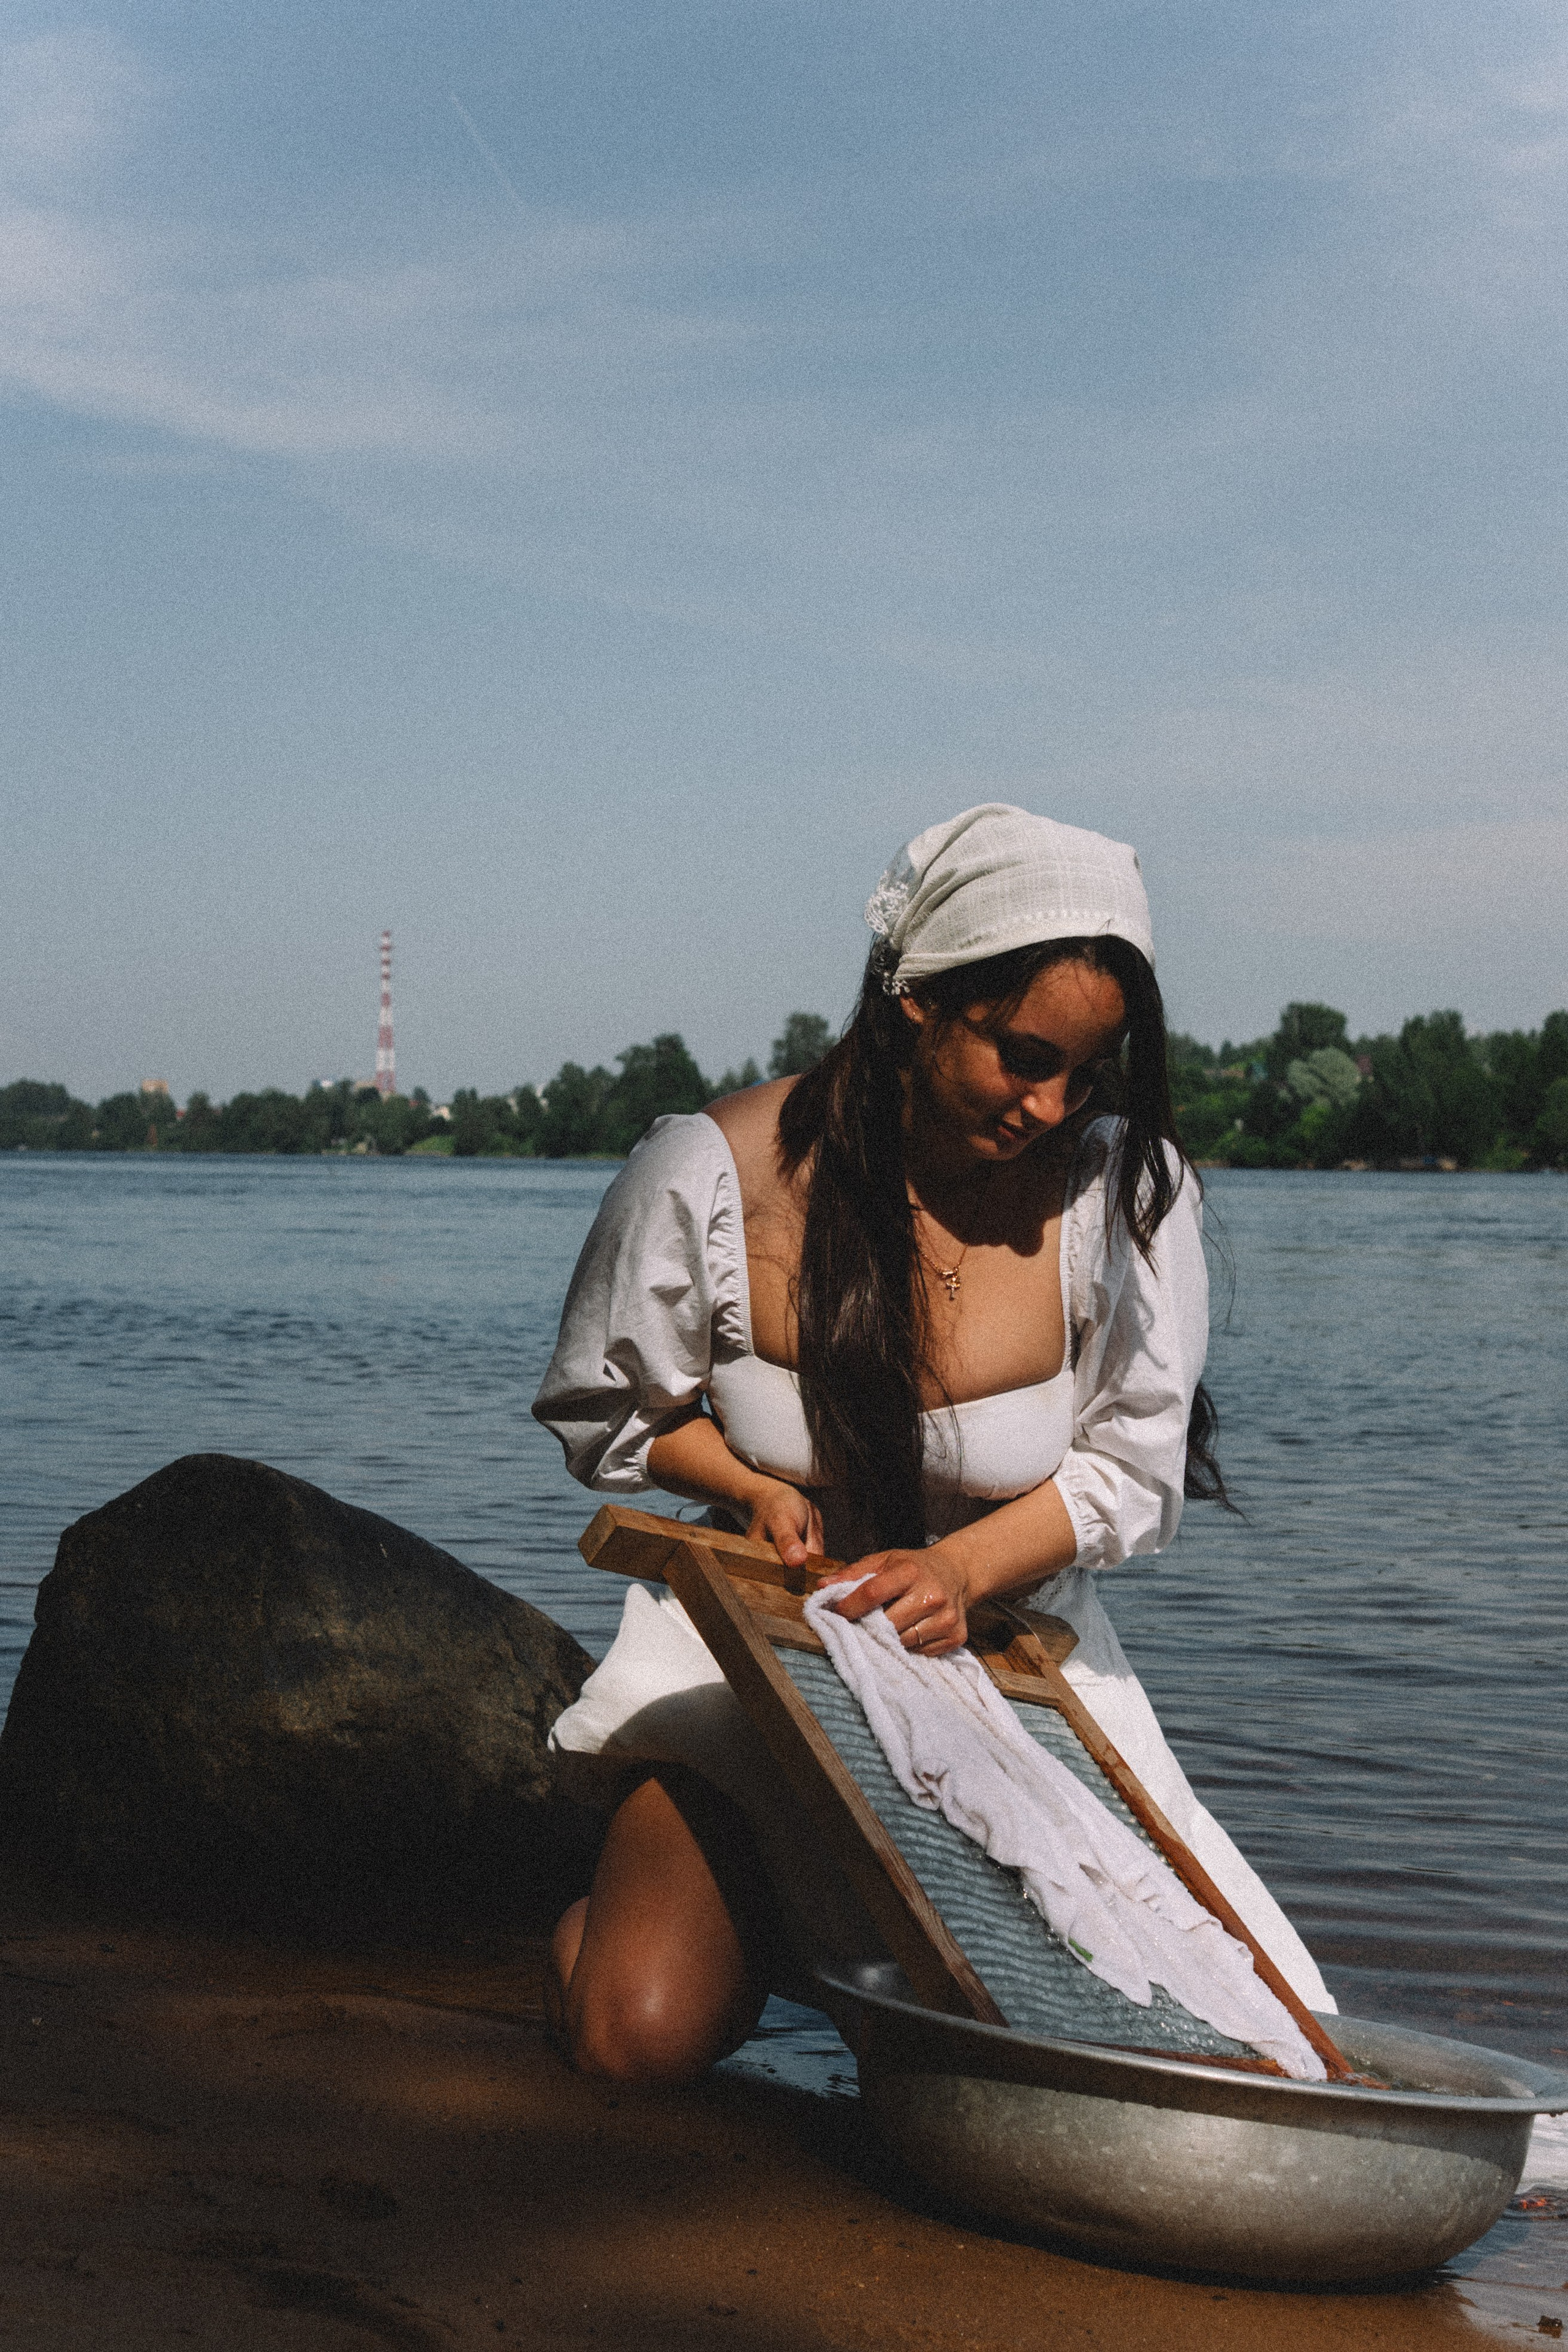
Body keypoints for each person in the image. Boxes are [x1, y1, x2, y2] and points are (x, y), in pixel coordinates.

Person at [533, 803, 1335, 2084]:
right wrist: (744, 1486)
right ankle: (700, 1920)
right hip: (761, 1652)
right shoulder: (713, 1168)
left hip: (1011, 1658)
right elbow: (620, 1415)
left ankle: (823, 1950)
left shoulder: (1117, 1194)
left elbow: (1131, 1475)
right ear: (917, 1001)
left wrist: (959, 1571)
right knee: (632, 2043)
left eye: (1087, 1072)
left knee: (1198, 2054)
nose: (1050, 1105)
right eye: (1024, 1057)